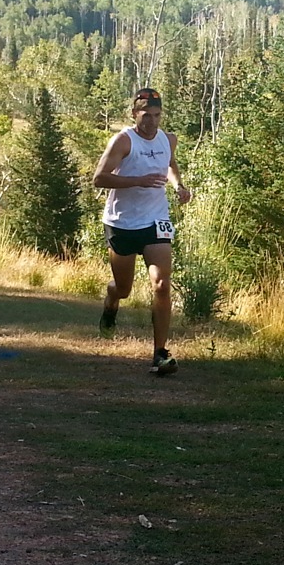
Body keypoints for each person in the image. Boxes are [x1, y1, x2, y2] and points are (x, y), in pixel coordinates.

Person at [93, 88, 192, 375]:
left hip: (156, 220)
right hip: (122, 222)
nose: (152, 121)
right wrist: (137, 180)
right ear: (135, 114)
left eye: (157, 115)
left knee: (161, 284)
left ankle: (160, 354)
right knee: (123, 288)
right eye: (146, 115)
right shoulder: (123, 141)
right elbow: (99, 178)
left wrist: (179, 186)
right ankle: (111, 303)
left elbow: (170, 165)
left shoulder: (168, 140)